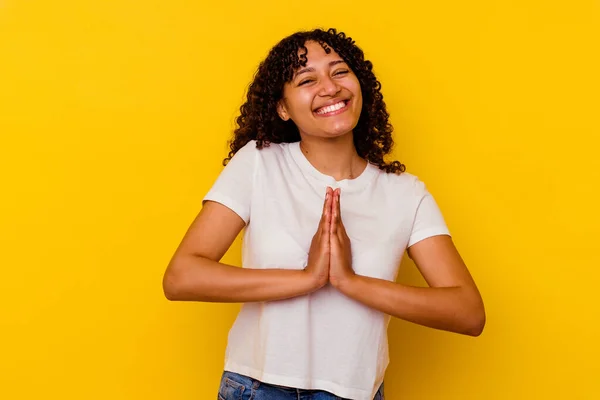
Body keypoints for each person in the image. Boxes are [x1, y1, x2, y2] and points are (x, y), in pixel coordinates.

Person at [162, 28, 486, 400]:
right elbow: (182, 277)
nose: (329, 87)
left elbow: (467, 312)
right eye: (306, 79)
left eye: (339, 72)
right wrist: (308, 278)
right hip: (258, 389)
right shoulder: (259, 163)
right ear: (282, 108)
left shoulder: (404, 193)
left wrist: (349, 281)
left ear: (359, 84)